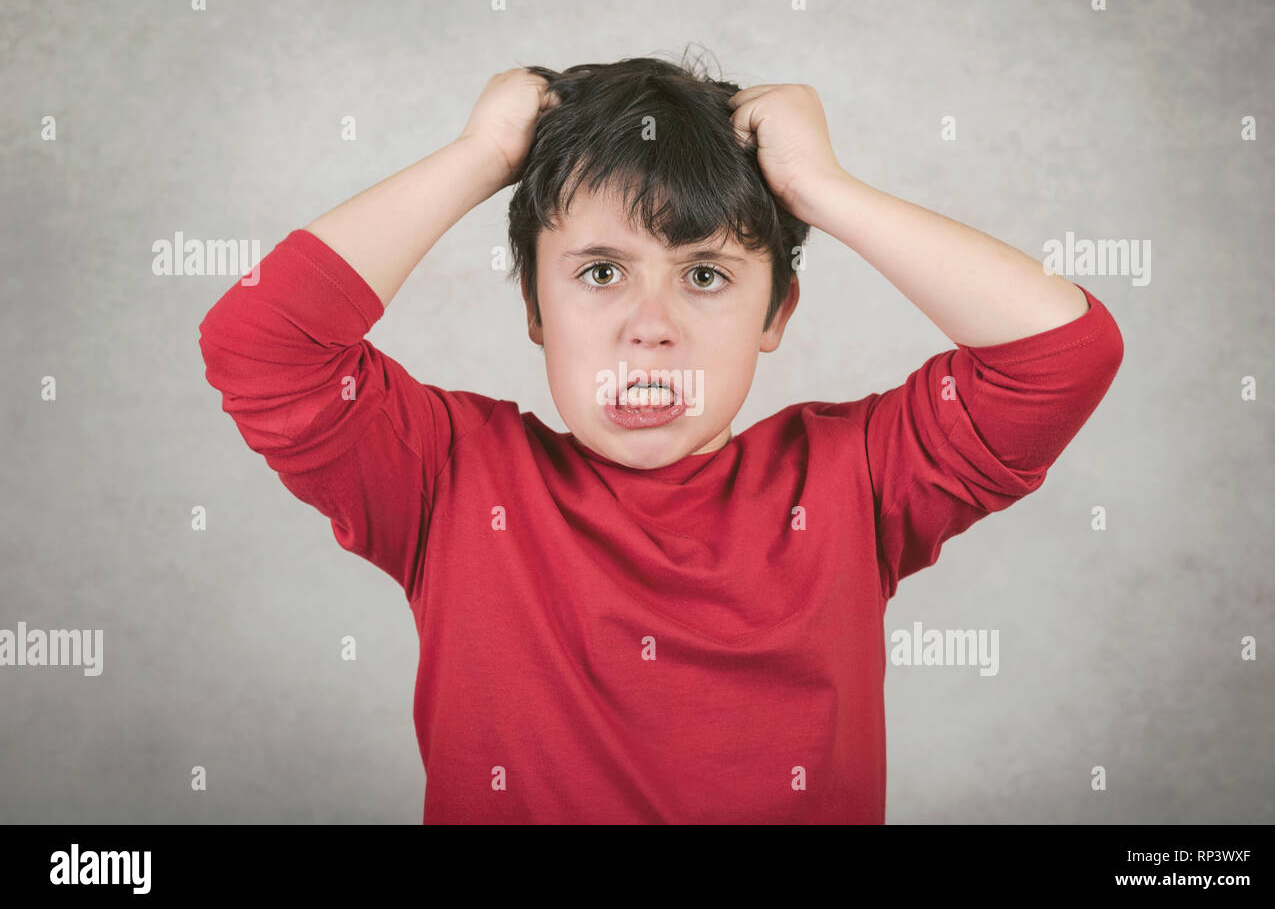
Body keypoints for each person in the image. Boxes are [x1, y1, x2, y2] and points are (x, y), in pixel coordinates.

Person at [198, 55, 1124, 823]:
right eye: (601, 271)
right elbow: (261, 344)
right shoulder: (449, 476)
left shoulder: (855, 479)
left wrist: (821, 190)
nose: (652, 325)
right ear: (533, 308)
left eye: (706, 276)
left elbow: (1061, 353)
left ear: (777, 311)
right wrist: (480, 155)